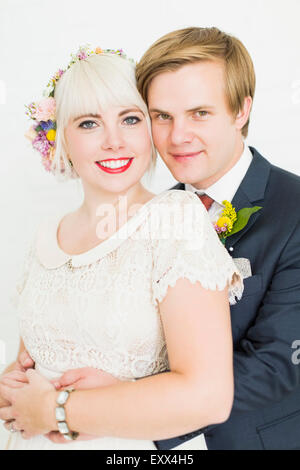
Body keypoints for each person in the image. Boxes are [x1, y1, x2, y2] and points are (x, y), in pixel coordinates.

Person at [15, 26, 300, 450]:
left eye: (199, 113)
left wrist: (103, 407)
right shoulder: (147, 214)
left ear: (241, 110)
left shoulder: (292, 208)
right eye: (161, 116)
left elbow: (279, 364)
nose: (177, 136)